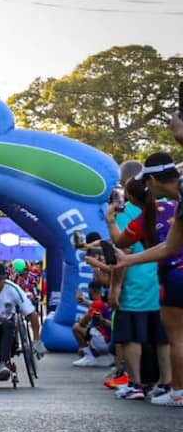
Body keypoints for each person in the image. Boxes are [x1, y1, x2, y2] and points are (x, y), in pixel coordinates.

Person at [113, 152, 183, 406]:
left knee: (175, 338)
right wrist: (128, 260)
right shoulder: (176, 205)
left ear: (153, 180)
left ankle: (178, 392)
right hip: (166, 277)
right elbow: (169, 246)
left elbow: (124, 243)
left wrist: (125, 262)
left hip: (172, 278)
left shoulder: (148, 214)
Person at [71, 283, 113, 367]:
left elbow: (82, 323)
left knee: (76, 327)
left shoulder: (96, 304)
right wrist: (85, 303)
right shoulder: (103, 302)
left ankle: (89, 357)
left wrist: (83, 319)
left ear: (91, 291)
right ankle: (101, 354)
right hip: (111, 341)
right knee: (81, 351)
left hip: (104, 341)